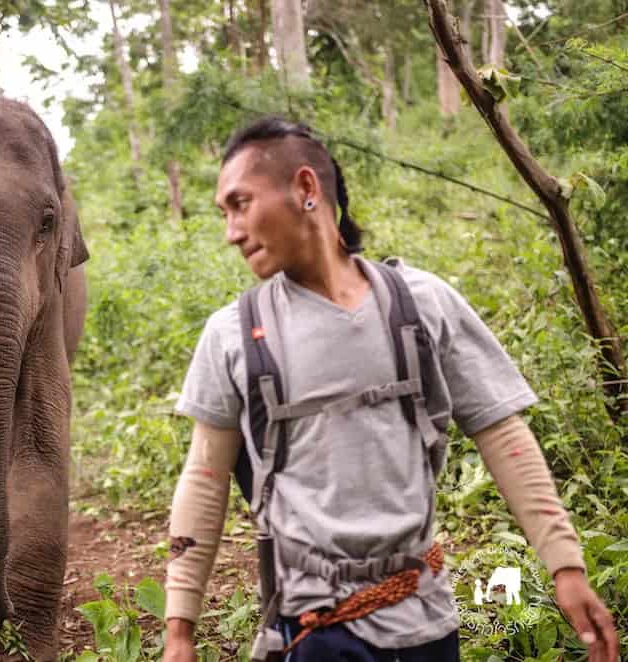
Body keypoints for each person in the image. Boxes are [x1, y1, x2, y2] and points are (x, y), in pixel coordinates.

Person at [161, 117, 618, 662]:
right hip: (311, 630)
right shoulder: (233, 333)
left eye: (240, 204)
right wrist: (179, 630)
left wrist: (565, 564)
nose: (231, 231)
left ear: (306, 189)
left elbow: (503, 435)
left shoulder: (423, 305)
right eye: (225, 213)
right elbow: (206, 477)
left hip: (426, 619)